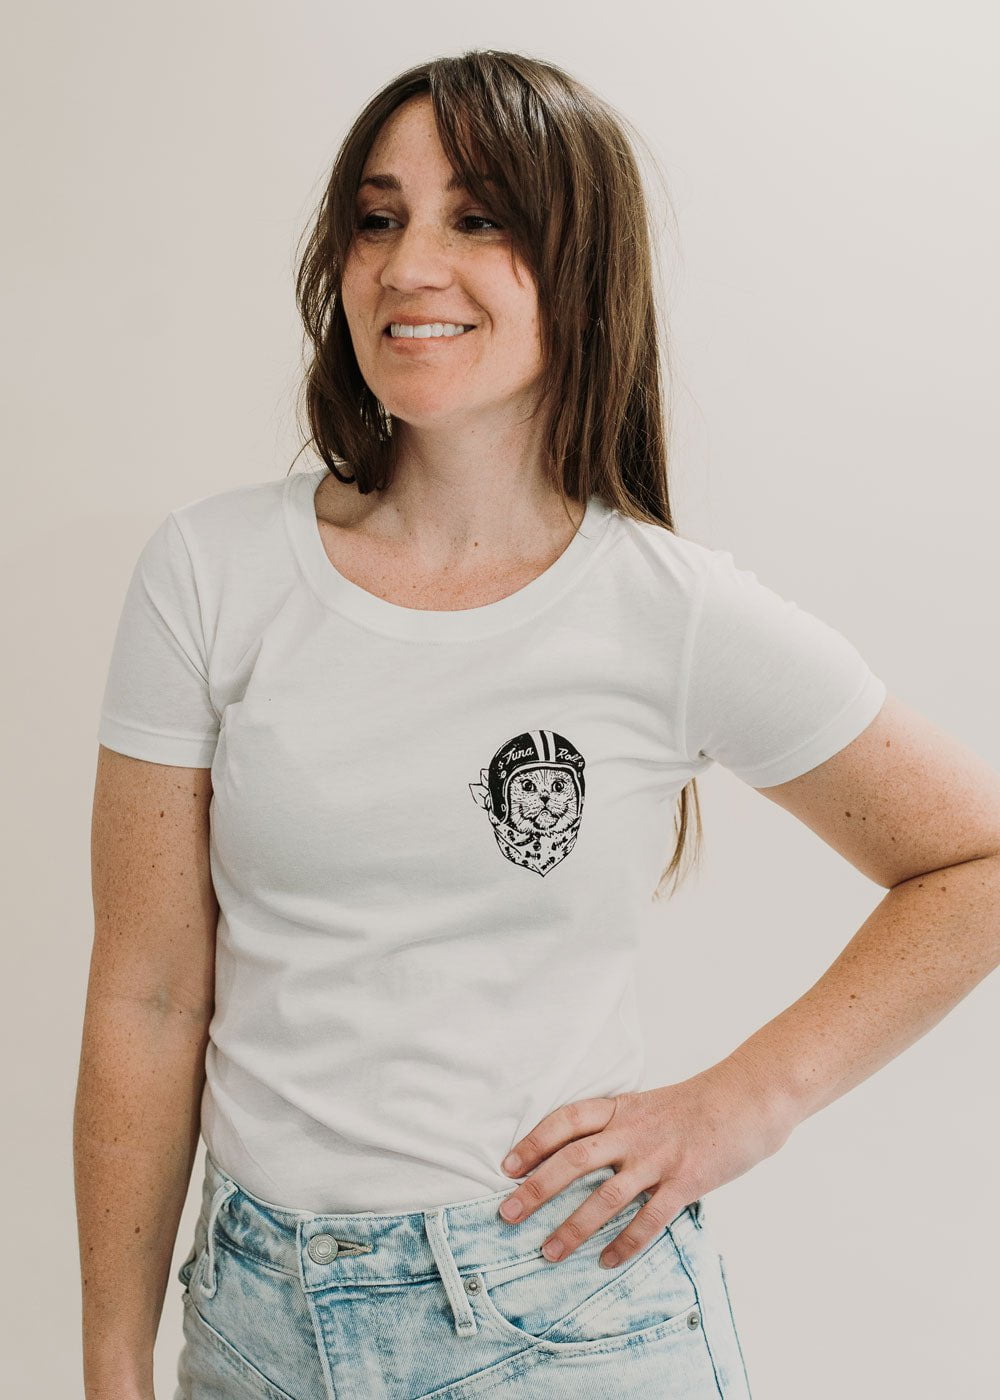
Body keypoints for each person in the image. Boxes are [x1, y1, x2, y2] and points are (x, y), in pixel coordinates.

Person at [76, 48, 1000, 1400]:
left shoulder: (667, 610)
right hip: (255, 1323)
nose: (410, 267)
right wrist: (111, 1356)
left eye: (480, 219)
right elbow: (150, 994)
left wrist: (744, 1105)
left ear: (580, 268)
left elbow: (975, 860)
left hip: (563, 1321)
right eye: (379, 218)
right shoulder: (212, 575)